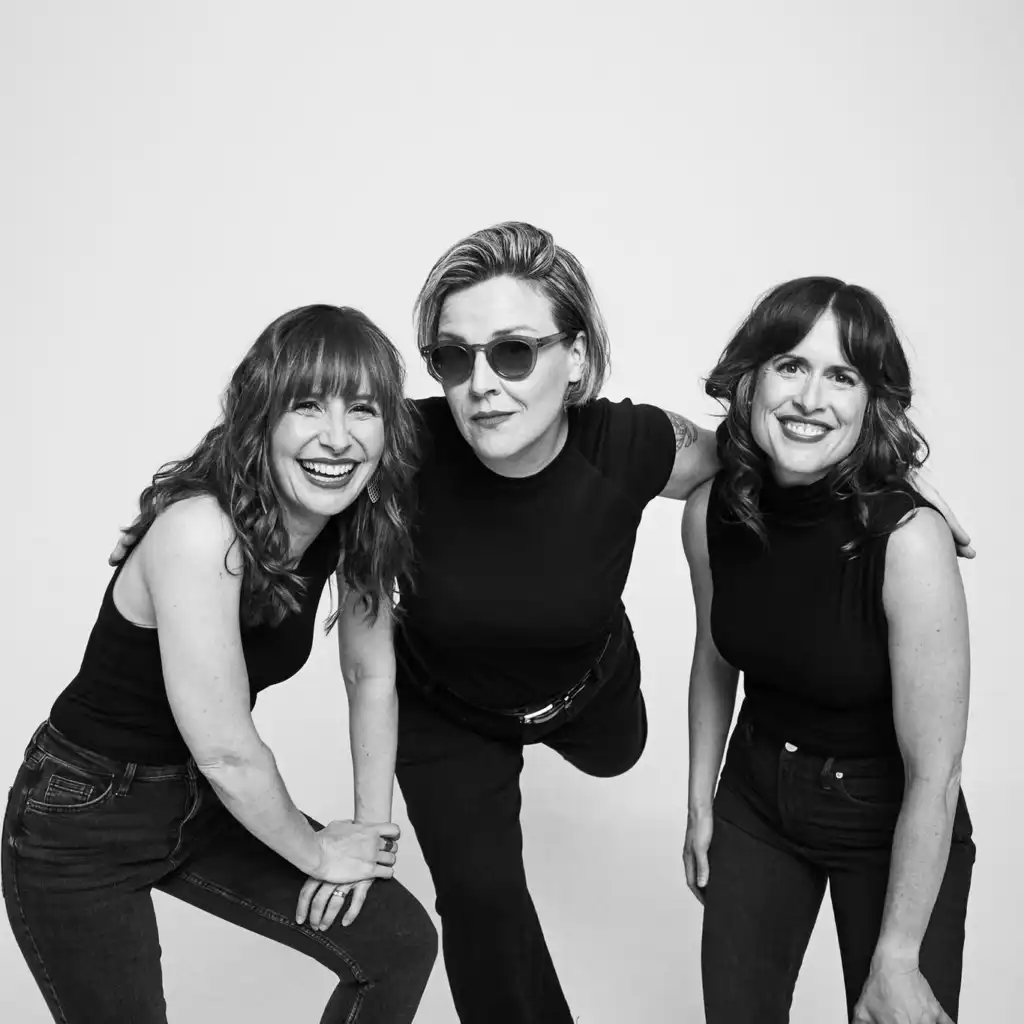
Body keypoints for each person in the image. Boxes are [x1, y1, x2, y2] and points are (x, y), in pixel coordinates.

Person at [296, 226, 970, 1024]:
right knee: (480, 905)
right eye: (453, 357)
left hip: (587, 691)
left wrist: (899, 481)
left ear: (576, 359)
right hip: (448, 704)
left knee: (619, 751)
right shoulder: (399, 452)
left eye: (514, 353)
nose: (481, 385)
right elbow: (297, 470)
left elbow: (764, 441)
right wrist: (369, 830)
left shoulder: (630, 444)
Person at [2, 305, 437, 1024]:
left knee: (395, 944)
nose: (337, 437)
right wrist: (318, 855)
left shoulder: (353, 518)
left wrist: (370, 836)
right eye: (307, 406)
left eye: (362, 409)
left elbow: (371, 675)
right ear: (261, 416)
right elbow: (228, 753)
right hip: (85, 816)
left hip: (201, 798)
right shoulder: (202, 532)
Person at [680, 278, 974, 1024]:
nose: (810, 398)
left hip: (890, 814)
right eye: (790, 366)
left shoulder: (909, 542)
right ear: (751, 379)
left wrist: (898, 954)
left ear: (871, 402)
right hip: (755, 794)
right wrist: (700, 799)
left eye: (842, 376)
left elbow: (935, 774)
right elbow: (714, 655)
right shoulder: (711, 511)